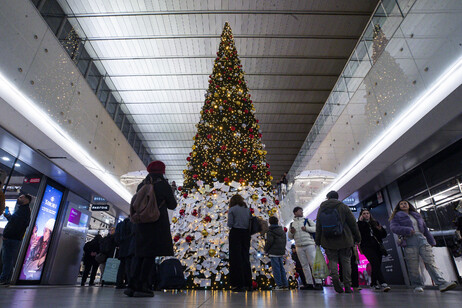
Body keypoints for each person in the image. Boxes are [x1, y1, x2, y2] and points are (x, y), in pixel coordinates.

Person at [125, 160, 177, 297]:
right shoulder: (163, 184)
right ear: (162, 171)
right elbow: (172, 204)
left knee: (139, 255)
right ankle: (142, 287)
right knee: (149, 256)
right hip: (156, 223)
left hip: (141, 224)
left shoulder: (142, 184)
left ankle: (131, 286)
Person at [389, 200, 457, 293]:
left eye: (405, 203)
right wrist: (407, 230)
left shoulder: (416, 215)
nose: (404, 205)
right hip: (409, 239)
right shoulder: (397, 216)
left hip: (422, 238)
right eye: (401, 204)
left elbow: (425, 229)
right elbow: (394, 228)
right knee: (413, 264)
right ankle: (417, 285)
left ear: (409, 205)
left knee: (430, 261)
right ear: (399, 206)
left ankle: (442, 283)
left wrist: (431, 241)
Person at [315, 191, 361, 294]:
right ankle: (348, 287)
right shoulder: (343, 206)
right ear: (337, 197)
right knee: (346, 262)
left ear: (327, 198)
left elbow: (318, 225)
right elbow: (353, 223)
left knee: (332, 261)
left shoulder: (322, 208)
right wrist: (357, 237)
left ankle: (335, 280)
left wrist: (317, 240)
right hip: (344, 238)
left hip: (328, 240)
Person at [0, 194, 32, 285]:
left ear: (27, 200)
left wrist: (8, 235)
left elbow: (16, 226)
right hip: (12, 238)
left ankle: (4, 279)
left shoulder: (24, 211)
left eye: (21, 197)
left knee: (7, 259)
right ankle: (6, 279)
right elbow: (14, 221)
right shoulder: (22, 210)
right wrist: (8, 216)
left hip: (11, 239)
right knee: (8, 259)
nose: (19, 198)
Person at [288, 206, 322, 290]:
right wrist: (291, 232)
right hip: (299, 246)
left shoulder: (307, 221)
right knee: (304, 265)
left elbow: (315, 228)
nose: (302, 212)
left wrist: (306, 228)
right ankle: (309, 283)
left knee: (313, 263)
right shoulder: (292, 224)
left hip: (309, 244)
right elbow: (290, 237)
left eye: (302, 211)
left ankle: (318, 282)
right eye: (300, 211)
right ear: (295, 213)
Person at [357, 208, 390, 292]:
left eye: (367, 213)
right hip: (366, 247)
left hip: (377, 246)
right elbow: (360, 234)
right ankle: (383, 283)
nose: (366, 215)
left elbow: (383, 235)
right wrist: (361, 222)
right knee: (375, 262)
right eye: (364, 213)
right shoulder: (359, 224)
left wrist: (380, 230)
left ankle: (374, 283)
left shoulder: (375, 223)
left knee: (377, 265)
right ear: (361, 215)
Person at [227, 194, 252, 292]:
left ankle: (238, 284)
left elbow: (230, 224)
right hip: (246, 234)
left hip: (236, 233)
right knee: (245, 257)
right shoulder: (247, 209)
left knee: (235, 259)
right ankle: (248, 283)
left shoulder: (232, 209)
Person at [264, 216, 288, 290]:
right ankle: (285, 284)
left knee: (276, 269)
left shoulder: (270, 231)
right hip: (280, 252)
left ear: (270, 222)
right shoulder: (282, 231)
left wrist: (266, 249)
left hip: (273, 252)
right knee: (282, 268)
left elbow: (270, 241)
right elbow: (285, 241)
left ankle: (279, 285)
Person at [115, 217, 134, 289]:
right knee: (129, 266)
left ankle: (119, 283)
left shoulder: (119, 225)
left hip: (122, 248)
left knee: (121, 266)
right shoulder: (132, 224)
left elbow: (116, 237)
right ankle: (129, 283)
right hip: (130, 248)